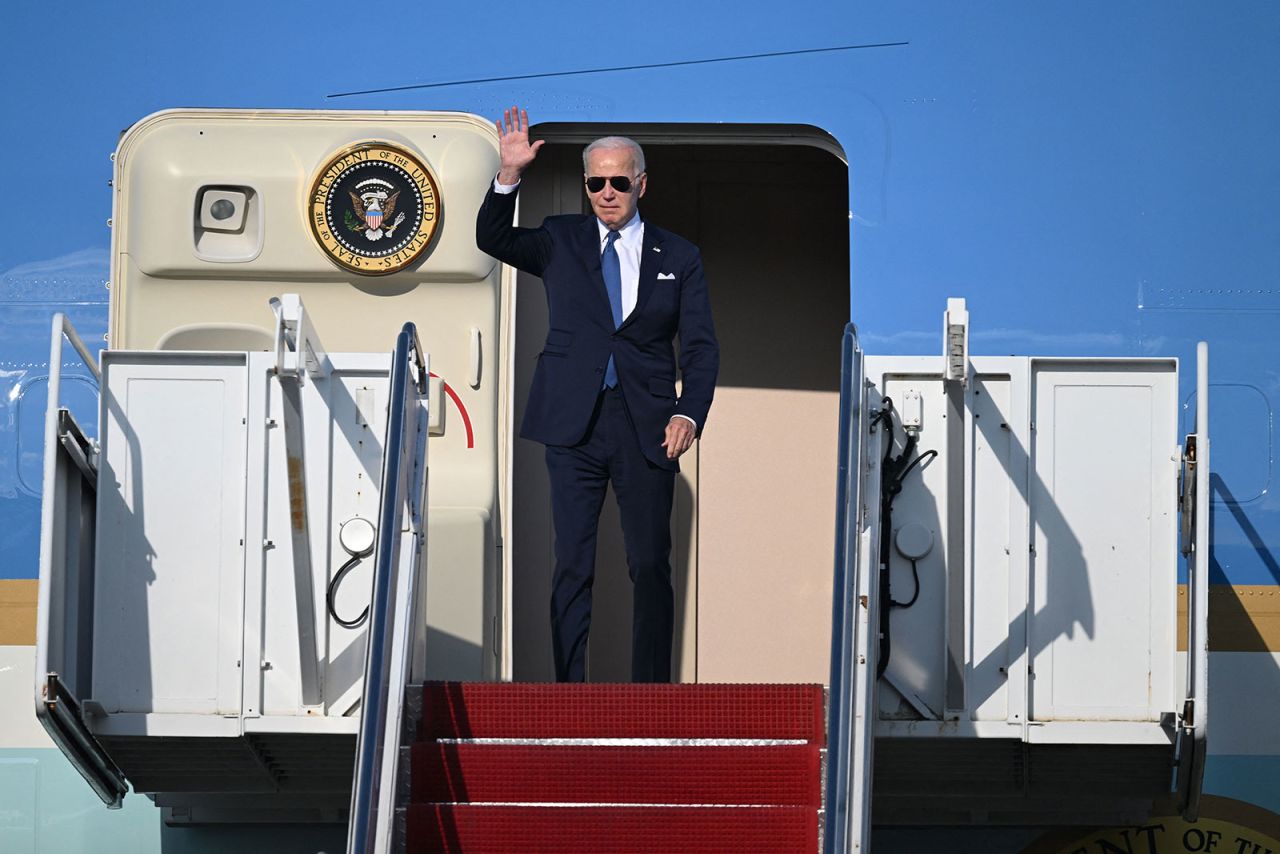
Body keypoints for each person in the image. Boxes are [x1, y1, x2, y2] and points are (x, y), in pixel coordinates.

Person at [476, 107, 719, 683]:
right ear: (586, 186)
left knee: (650, 564)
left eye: (618, 181)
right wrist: (508, 174)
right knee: (573, 565)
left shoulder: (679, 255)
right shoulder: (561, 237)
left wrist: (689, 411)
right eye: (595, 182)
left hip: (648, 425)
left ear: (640, 183)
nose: (606, 192)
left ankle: (653, 692)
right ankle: (568, 690)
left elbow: (703, 347)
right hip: (572, 425)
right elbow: (492, 237)